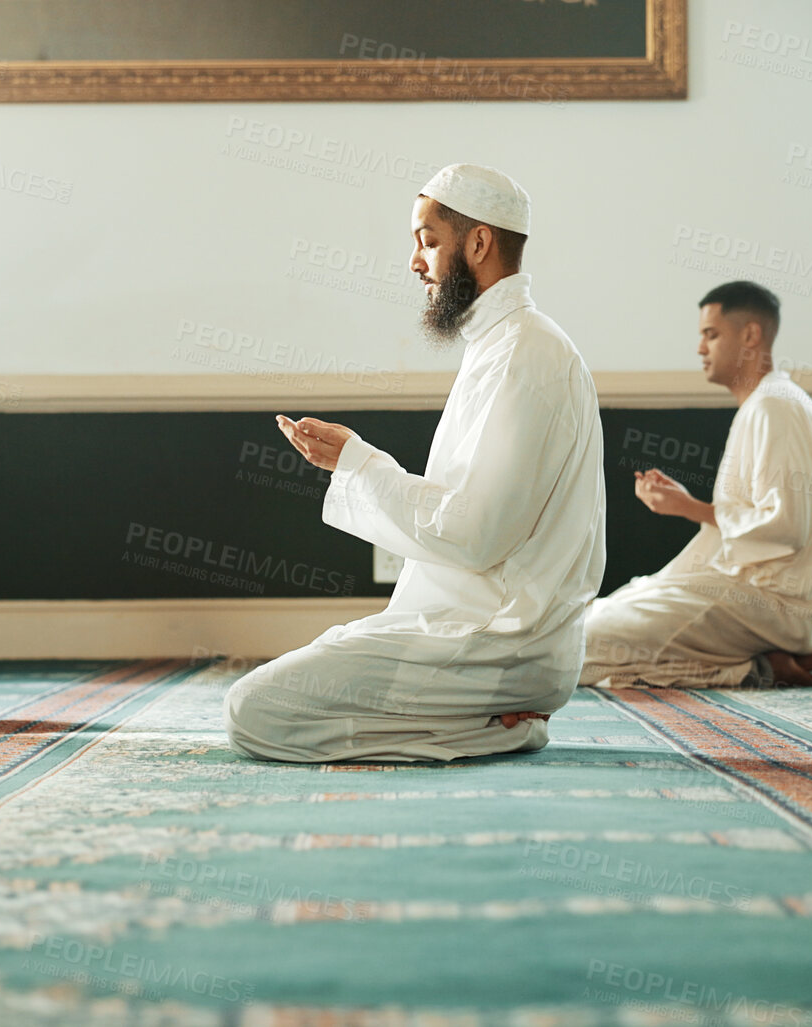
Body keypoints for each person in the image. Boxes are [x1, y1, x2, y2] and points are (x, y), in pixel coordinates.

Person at [224, 163, 606, 762]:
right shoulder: (502, 345)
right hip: (477, 631)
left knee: (254, 712)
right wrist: (352, 463)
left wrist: (361, 463)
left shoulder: (525, 355)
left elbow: (476, 536)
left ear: (478, 243)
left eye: (428, 242)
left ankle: (495, 719)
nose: (414, 263)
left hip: (500, 641)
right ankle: (486, 722)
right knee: (301, 677)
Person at [581, 281, 812, 690]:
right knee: (601, 612)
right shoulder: (764, 404)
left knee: (579, 643)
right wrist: (684, 506)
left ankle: (762, 663)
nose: (700, 348)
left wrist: (689, 507)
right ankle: (762, 663)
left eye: (711, 335)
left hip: (770, 604)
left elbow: (788, 527)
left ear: (750, 335)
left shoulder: (776, 407)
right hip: (743, 596)